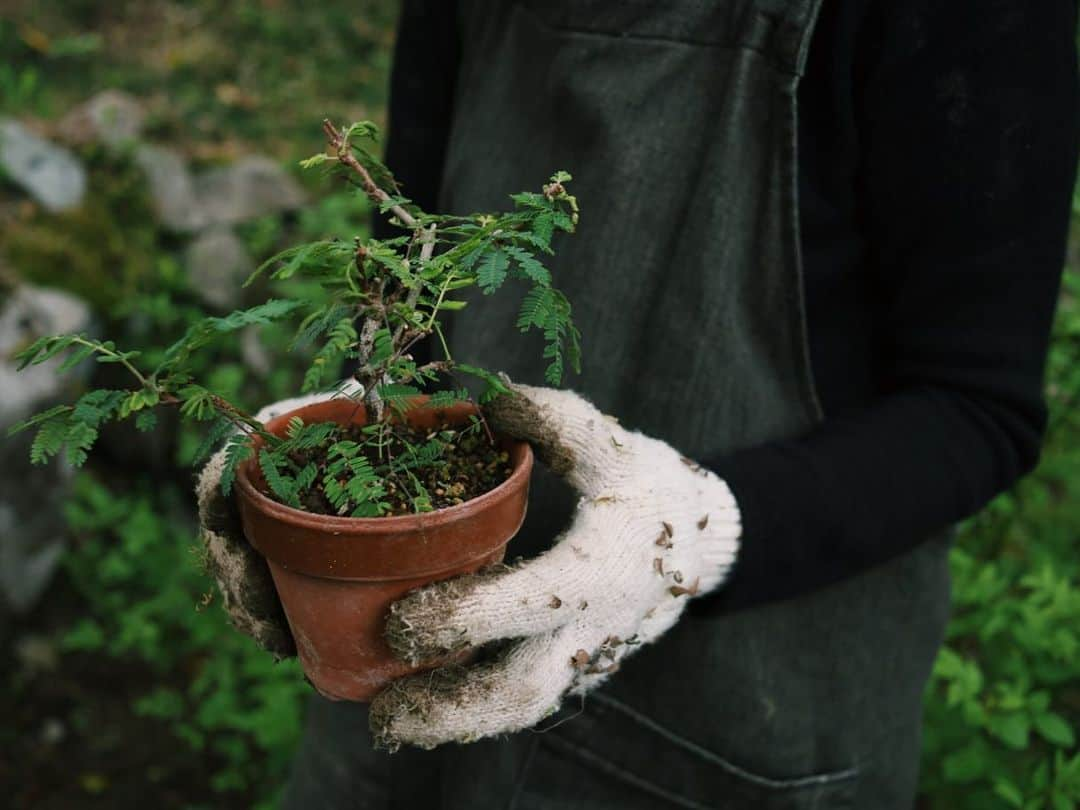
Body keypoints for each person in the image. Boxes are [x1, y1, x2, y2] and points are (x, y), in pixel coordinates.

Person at [197, 1, 1079, 807]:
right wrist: (351, 421)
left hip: (736, 725)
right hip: (407, 665)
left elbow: (976, 409)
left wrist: (692, 533)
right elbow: (408, 267)